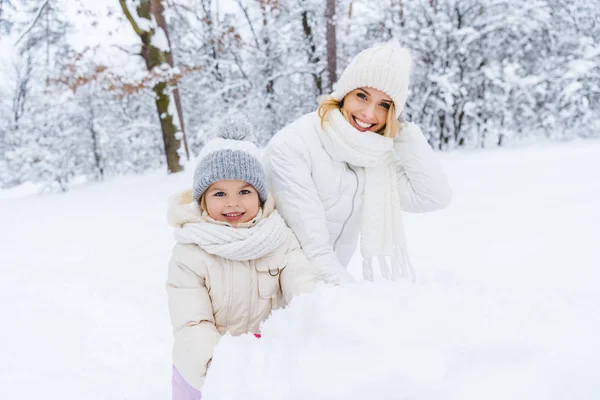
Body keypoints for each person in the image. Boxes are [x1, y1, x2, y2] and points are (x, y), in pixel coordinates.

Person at [263, 43, 452, 285]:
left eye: (385, 106)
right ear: (344, 93)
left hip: (323, 287)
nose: (369, 114)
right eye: (362, 96)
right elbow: (312, 250)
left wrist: (402, 130)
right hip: (275, 292)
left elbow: (434, 196)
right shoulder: (293, 146)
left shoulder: (374, 156)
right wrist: (354, 303)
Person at [166, 118, 319, 399]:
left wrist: (319, 316)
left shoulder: (278, 238)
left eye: (245, 191)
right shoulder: (190, 250)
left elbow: (303, 283)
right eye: (220, 193)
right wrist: (220, 365)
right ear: (203, 199)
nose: (233, 203)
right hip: (206, 370)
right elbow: (191, 321)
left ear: (260, 196)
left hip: (266, 364)